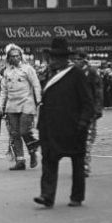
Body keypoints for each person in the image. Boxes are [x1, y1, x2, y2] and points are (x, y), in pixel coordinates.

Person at [34, 37, 94, 209]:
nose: (52, 60)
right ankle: (47, 195)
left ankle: (77, 196)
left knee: (77, 164)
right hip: (52, 128)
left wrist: (83, 122)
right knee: (49, 161)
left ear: (63, 58)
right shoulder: (47, 75)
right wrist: (41, 126)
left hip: (74, 127)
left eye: (56, 57)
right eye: (52, 57)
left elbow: (87, 102)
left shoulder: (77, 74)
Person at [0, 44, 41, 170]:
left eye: (17, 56)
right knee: (15, 133)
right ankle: (20, 161)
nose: (15, 58)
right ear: (8, 58)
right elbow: (3, 91)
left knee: (24, 131)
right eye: (12, 56)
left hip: (26, 104)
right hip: (12, 106)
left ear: (21, 56)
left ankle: (32, 151)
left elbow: (36, 85)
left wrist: (38, 100)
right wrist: (0, 106)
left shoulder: (28, 69)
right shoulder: (7, 71)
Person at [73, 53, 104, 176]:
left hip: (89, 110)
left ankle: (84, 165)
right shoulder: (72, 73)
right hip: (75, 111)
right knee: (76, 138)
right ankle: (79, 164)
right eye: (74, 59)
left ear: (84, 60)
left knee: (87, 138)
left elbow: (98, 92)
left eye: (78, 59)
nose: (75, 61)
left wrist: (97, 109)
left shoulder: (91, 72)